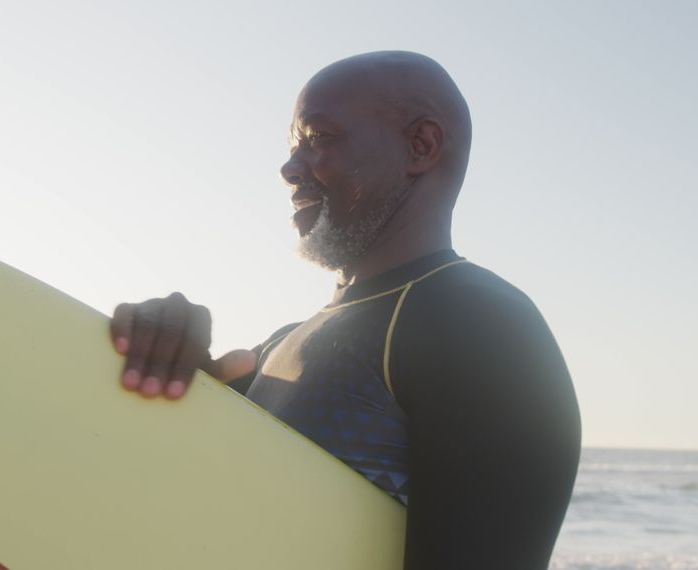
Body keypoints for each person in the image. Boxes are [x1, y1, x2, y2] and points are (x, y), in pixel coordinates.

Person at [109, 51, 581, 569]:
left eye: (319, 138)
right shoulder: (280, 344)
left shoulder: (478, 323)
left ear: (420, 147)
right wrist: (159, 360)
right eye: (293, 146)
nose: (289, 169)